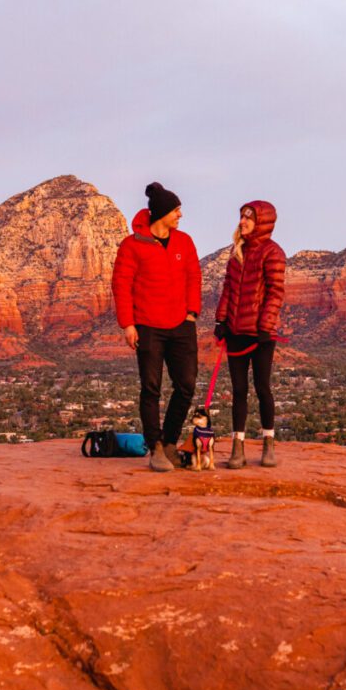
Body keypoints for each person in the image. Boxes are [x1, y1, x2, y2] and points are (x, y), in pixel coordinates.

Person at [112, 182, 201, 472]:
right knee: (151, 389)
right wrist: (128, 324)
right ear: (161, 213)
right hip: (147, 326)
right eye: (176, 210)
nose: (180, 215)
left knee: (186, 385)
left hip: (181, 325)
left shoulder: (184, 242)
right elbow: (121, 285)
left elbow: (194, 277)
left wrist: (192, 313)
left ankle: (170, 442)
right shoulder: (132, 245)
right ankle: (156, 449)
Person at [214, 201, 286, 468]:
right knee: (239, 390)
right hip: (236, 332)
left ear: (262, 222)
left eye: (248, 218)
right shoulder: (237, 253)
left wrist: (266, 326)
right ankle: (238, 447)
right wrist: (221, 320)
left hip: (261, 334)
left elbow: (276, 293)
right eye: (242, 217)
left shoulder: (273, 253)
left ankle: (268, 444)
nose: (242, 222)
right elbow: (227, 290)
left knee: (262, 387)